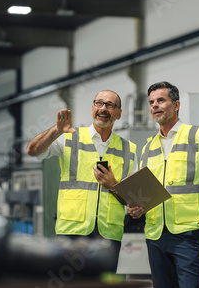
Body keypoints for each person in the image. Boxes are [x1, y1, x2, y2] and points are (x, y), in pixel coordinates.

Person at [127, 81, 199, 288]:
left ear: (176, 105)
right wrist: (134, 206)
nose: (155, 106)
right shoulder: (148, 146)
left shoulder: (196, 136)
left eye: (161, 100)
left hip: (187, 234)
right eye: (151, 102)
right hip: (155, 234)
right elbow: (139, 188)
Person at [26, 90, 137, 271]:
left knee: (102, 284)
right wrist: (56, 130)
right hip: (72, 231)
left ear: (119, 113)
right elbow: (33, 150)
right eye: (99, 103)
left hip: (108, 234)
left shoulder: (129, 149)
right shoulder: (69, 136)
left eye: (110, 105)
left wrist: (113, 185)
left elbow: (133, 200)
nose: (103, 109)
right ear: (92, 108)